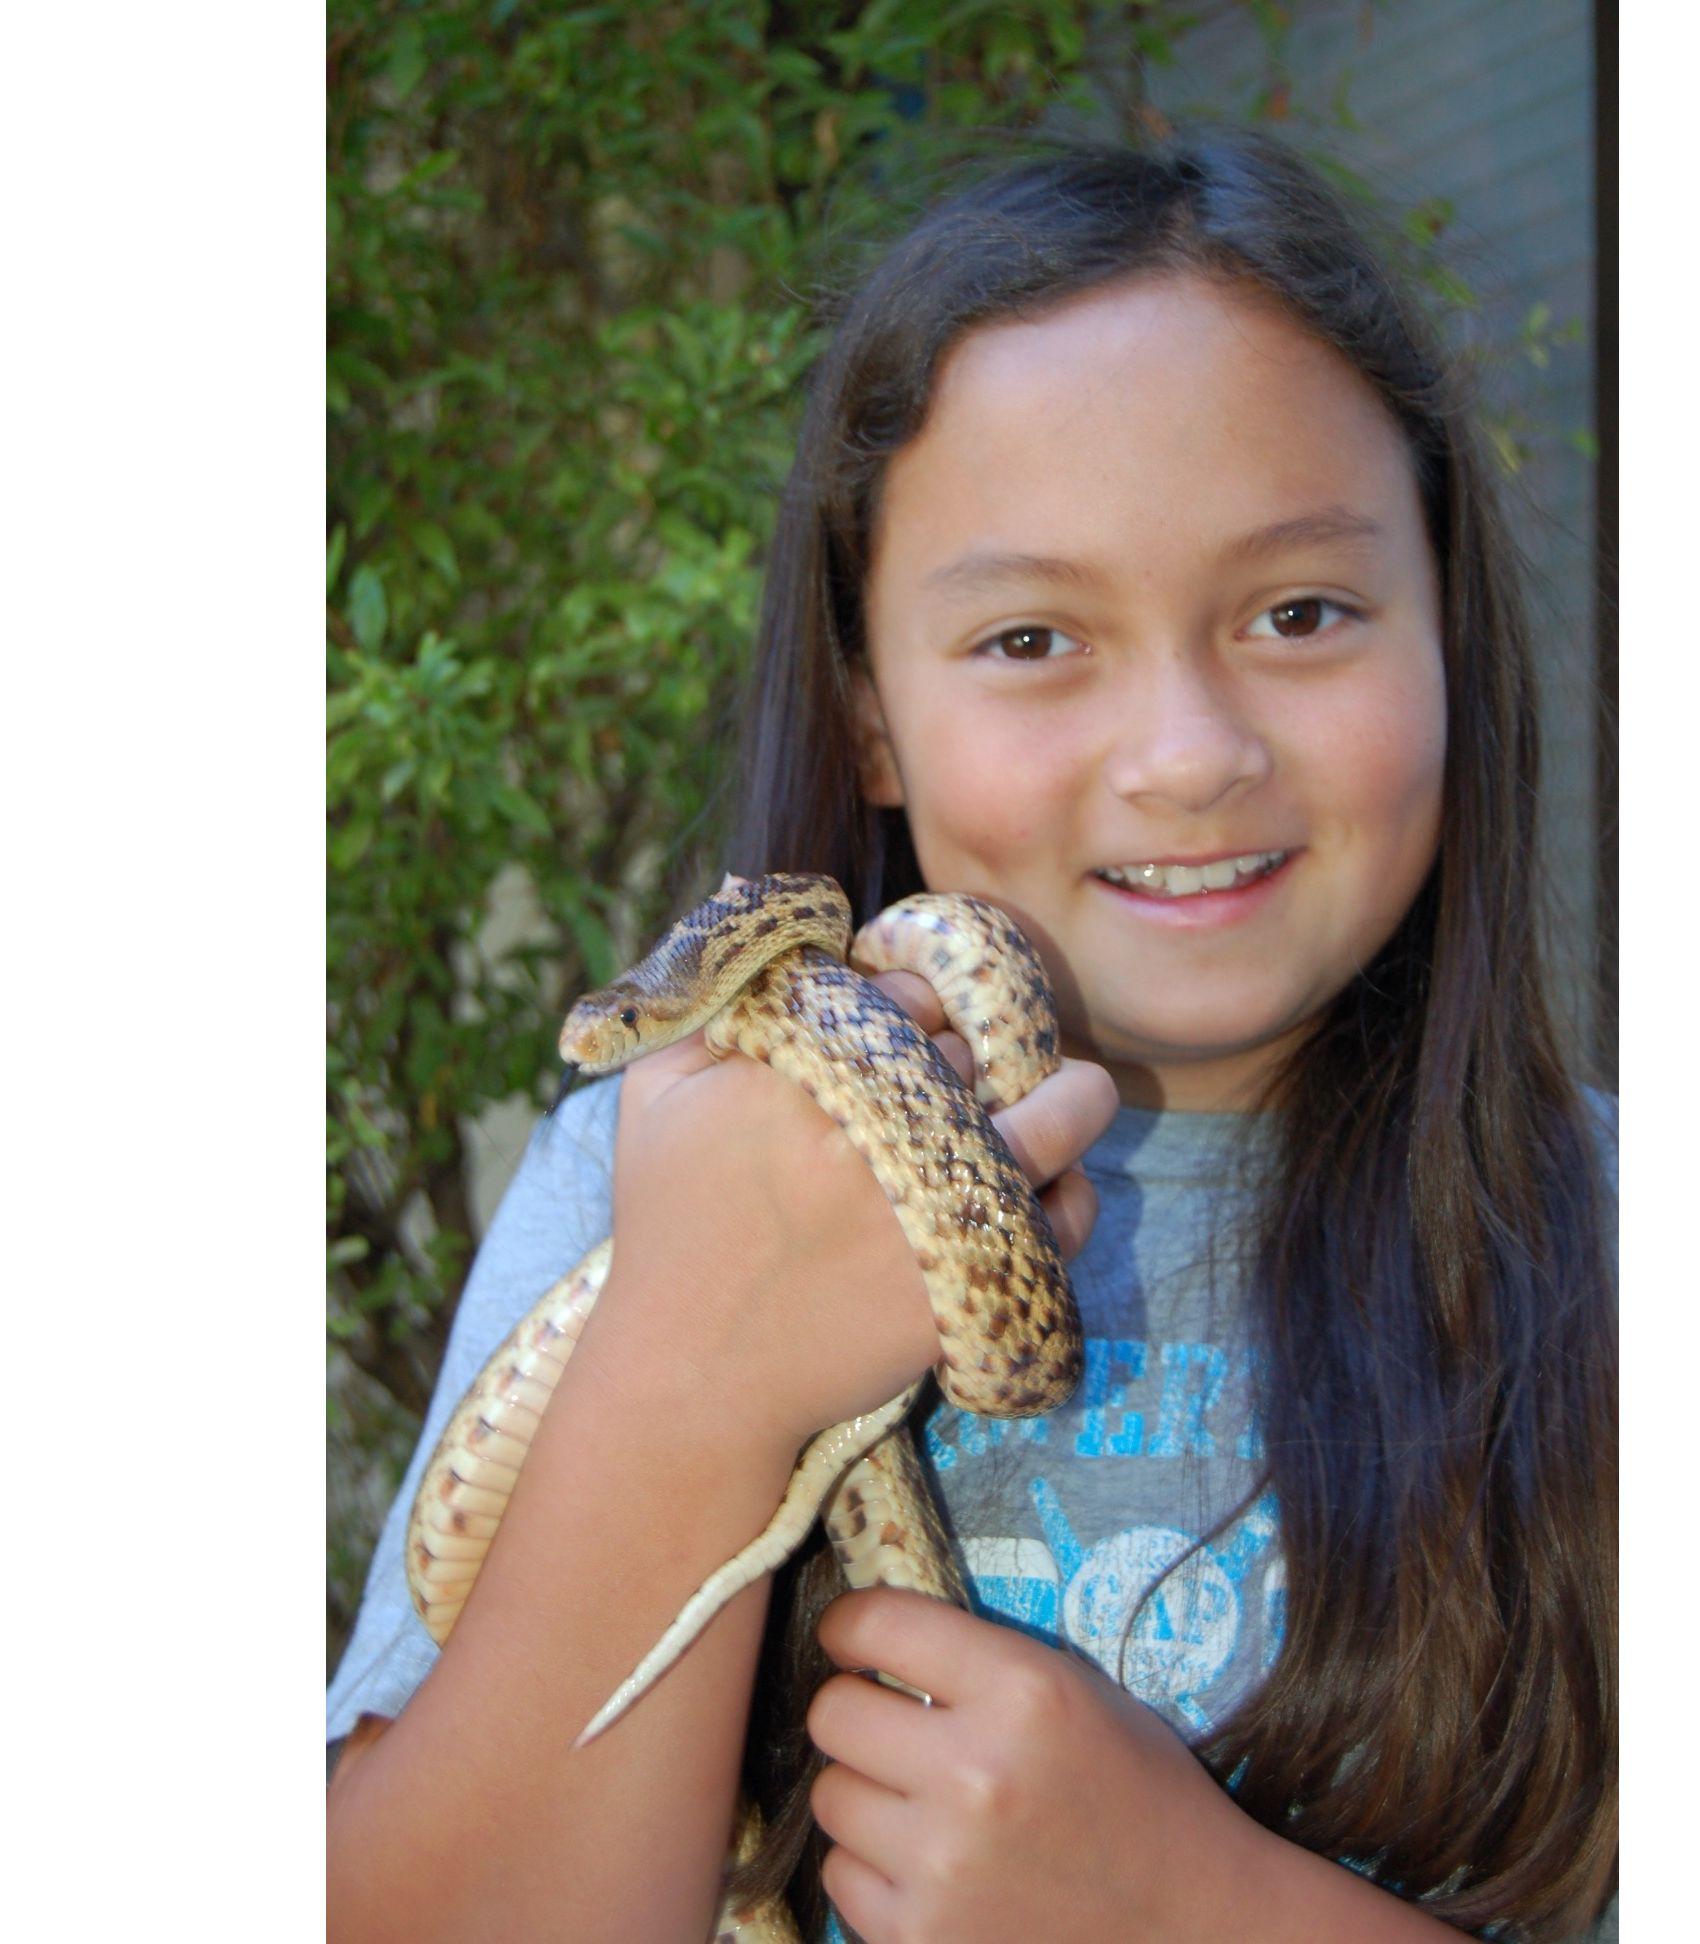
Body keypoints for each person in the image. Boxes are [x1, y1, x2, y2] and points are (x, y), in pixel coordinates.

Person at [326, 130, 1618, 1942]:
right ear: (869, 717)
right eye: (1030, 636)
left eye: (1303, 612)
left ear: (1451, 638)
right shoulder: (663, 1168)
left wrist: (1196, 1912)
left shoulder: (1631, 1253)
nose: (1185, 751)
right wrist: (695, 1365)